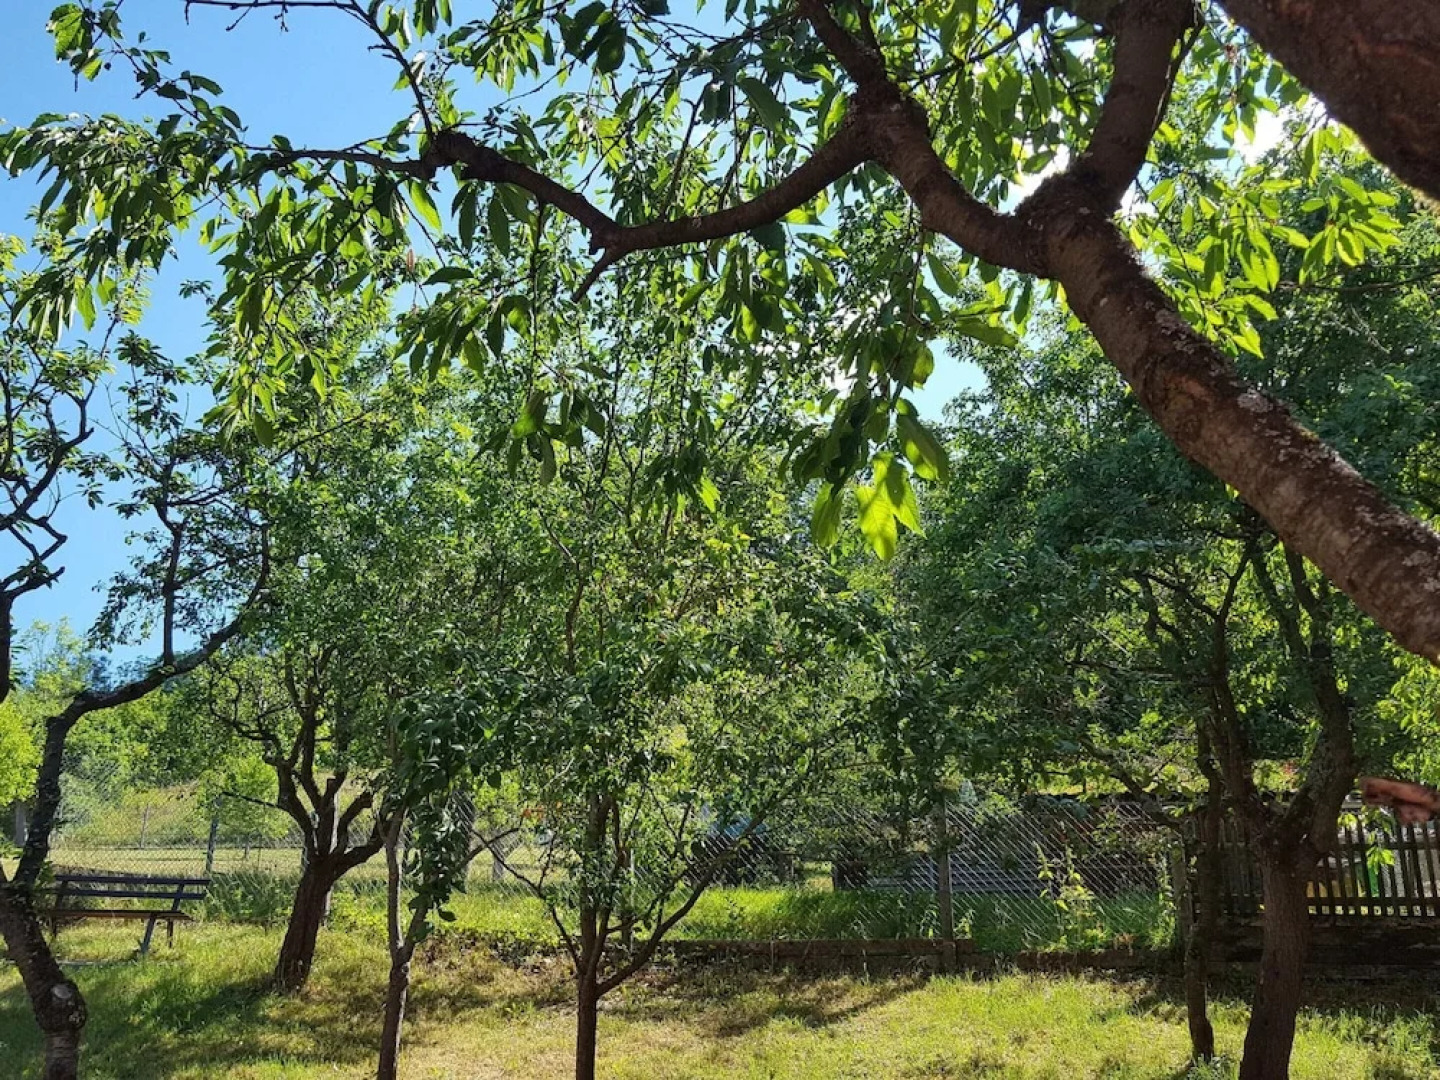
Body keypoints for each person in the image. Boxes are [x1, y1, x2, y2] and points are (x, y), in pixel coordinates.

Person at [1360, 776, 1440, 824]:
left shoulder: (1425, 797)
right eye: (1414, 818)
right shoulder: (1428, 802)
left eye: (1412, 815)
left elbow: (1395, 789)